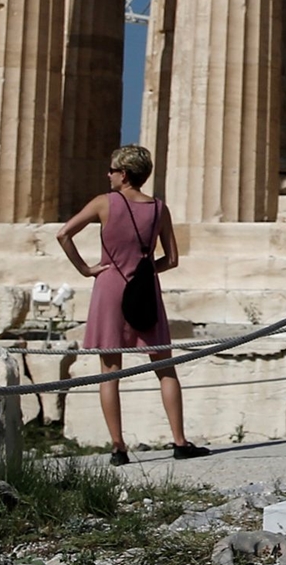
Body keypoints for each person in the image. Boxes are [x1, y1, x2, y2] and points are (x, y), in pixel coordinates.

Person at [57, 145, 208, 465]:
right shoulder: (158, 208)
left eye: (112, 170)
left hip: (110, 286)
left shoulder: (104, 203)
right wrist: (145, 270)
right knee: (165, 367)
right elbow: (173, 259)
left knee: (110, 371)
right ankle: (180, 442)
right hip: (145, 287)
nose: (108, 174)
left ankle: (118, 447)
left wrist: (85, 270)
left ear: (123, 174)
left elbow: (63, 234)